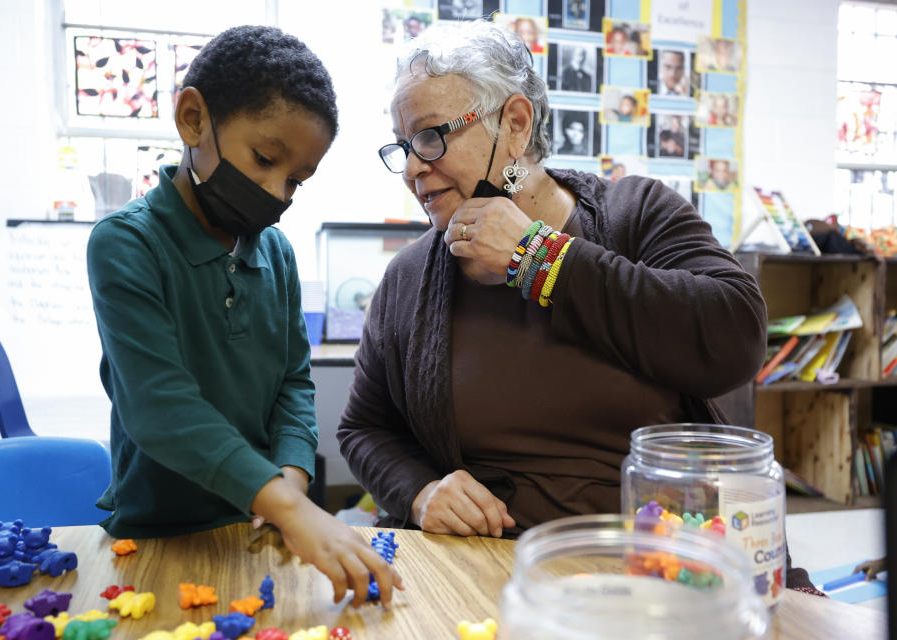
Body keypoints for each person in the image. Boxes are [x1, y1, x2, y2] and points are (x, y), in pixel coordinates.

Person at [345, 18, 767, 542]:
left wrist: (539, 258)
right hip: (486, 569)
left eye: (430, 137)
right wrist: (421, 490)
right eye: (402, 145)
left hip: (654, 562)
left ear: (516, 124)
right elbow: (364, 428)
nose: (411, 168)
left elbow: (736, 335)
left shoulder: (637, 214)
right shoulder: (409, 276)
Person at [86, 26, 403, 608]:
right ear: (192, 120)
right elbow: (161, 409)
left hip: (258, 528)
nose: (275, 193)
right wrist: (285, 505)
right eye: (264, 159)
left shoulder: (273, 251)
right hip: (159, 532)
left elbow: (293, 381)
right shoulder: (125, 245)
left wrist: (291, 476)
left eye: (295, 182)